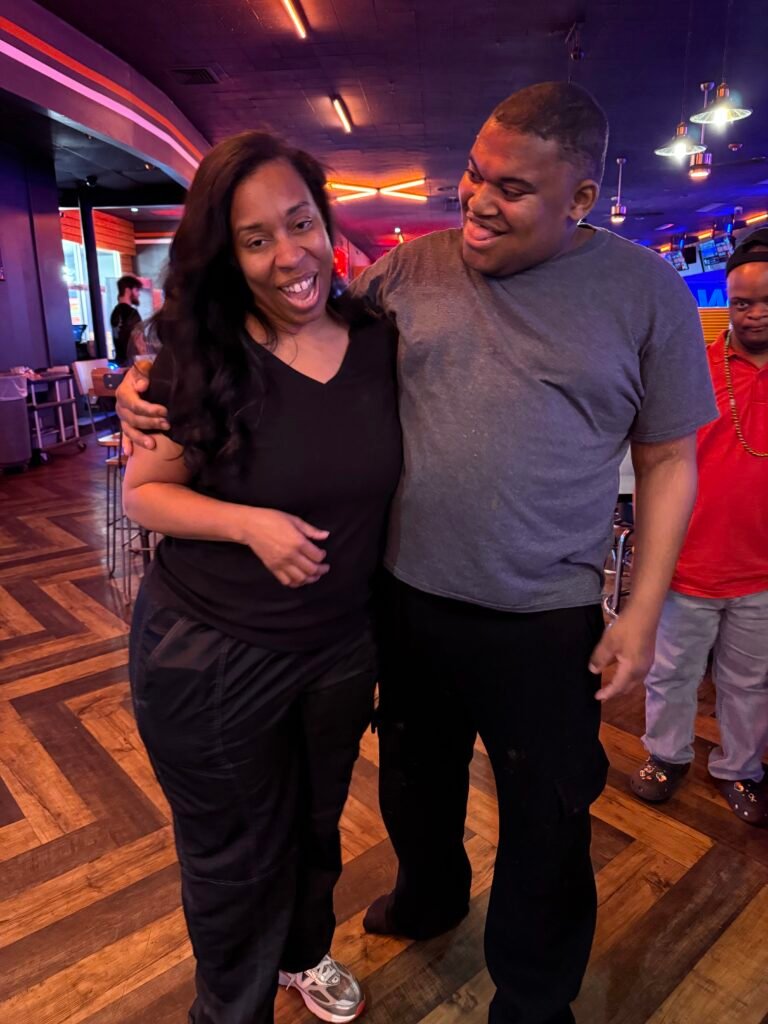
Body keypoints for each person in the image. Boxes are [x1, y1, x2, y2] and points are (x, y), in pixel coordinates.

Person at [117, 83, 717, 1024]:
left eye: (512, 188)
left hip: (543, 614)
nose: (479, 200)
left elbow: (671, 459)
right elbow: (283, 320)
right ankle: (429, 897)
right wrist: (151, 376)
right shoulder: (408, 273)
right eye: (474, 174)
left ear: (580, 198)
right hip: (399, 603)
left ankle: (533, 1000)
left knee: (548, 817)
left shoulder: (648, 294)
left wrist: (641, 612)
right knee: (414, 787)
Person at [122, 131, 401, 1024]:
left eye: (301, 222)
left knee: (316, 823)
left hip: (338, 646)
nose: (290, 255)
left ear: (327, 223)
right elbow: (144, 495)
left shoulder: (377, 341)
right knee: (234, 855)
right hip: (210, 653)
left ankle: (303, 955)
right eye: (256, 239)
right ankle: (230, 1012)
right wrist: (249, 525)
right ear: (226, 254)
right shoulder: (199, 357)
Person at [631, 229, 768, 826]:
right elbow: (658, 460)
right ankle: (667, 755)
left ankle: (741, 768)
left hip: (761, 570)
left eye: (766, 301)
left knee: (751, 681)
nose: (754, 313)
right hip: (688, 561)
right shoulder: (695, 368)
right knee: (671, 673)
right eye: (742, 302)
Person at [110, 274, 143, 365]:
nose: (138, 294)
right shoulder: (132, 314)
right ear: (128, 291)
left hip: (119, 363)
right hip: (132, 365)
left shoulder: (114, 313)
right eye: (136, 290)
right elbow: (138, 341)